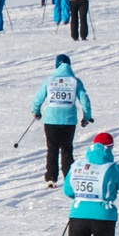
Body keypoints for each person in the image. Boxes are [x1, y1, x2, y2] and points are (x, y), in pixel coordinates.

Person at [31, 53, 94, 186]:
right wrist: (86, 117)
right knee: (66, 149)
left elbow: (38, 98)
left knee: (52, 149)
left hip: (51, 120)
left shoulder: (50, 80)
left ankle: (51, 178)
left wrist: (36, 111)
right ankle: (68, 177)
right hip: (69, 121)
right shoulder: (75, 81)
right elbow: (85, 101)